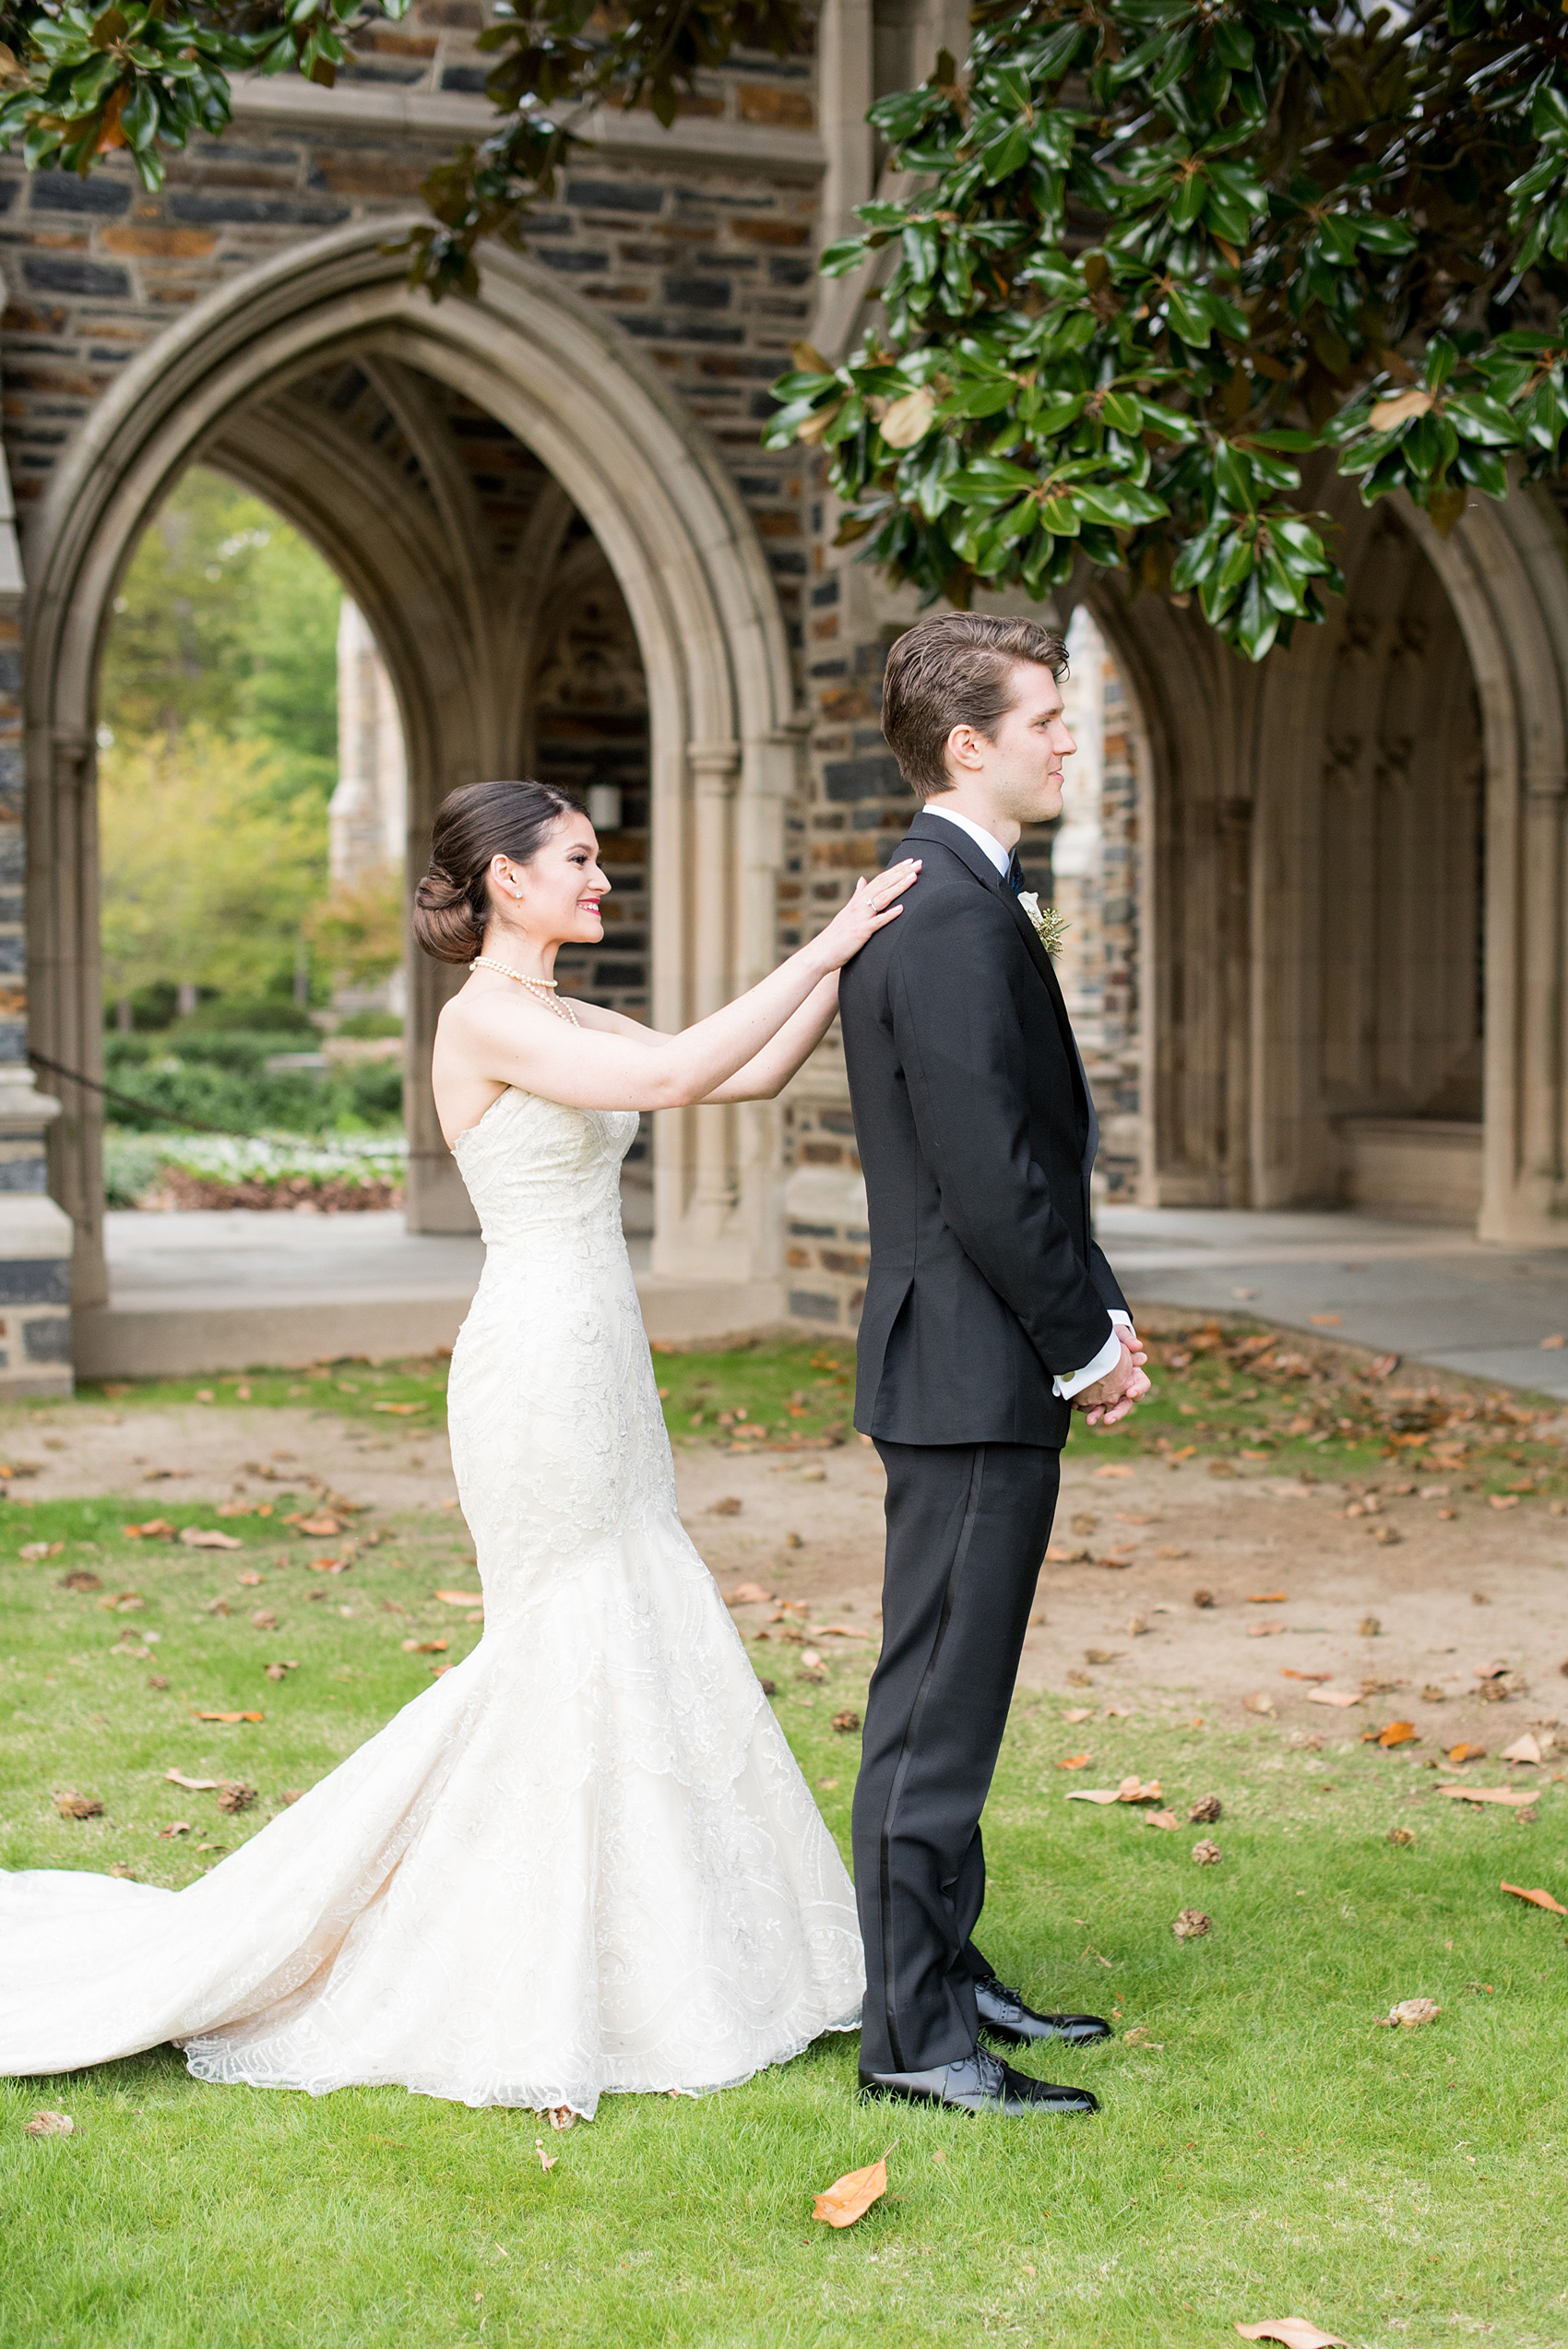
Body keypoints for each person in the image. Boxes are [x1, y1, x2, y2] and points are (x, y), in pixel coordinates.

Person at [0, 780, 921, 2121]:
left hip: (604, 1357)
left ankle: (670, 1952)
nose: (604, 882)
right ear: (504, 878)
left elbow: (747, 1069)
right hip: (536, 1364)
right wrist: (827, 941)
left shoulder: (556, 1011)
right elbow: (669, 1077)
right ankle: (514, 1964)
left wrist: (867, 955)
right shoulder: (483, 1013)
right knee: (564, 1638)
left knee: (634, 1609)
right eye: (582, 861)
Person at [837, 611, 1151, 2118]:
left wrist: (1102, 1314)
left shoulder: (960, 894)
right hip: (967, 1366)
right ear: (970, 745)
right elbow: (985, 1176)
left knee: (961, 1690)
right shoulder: (952, 916)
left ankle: (948, 1969)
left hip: (982, 1358)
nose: (1069, 738)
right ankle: (911, 2036)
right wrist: (1083, 1342)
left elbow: (1033, 1155)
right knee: (933, 1709)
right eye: (1048, 717)